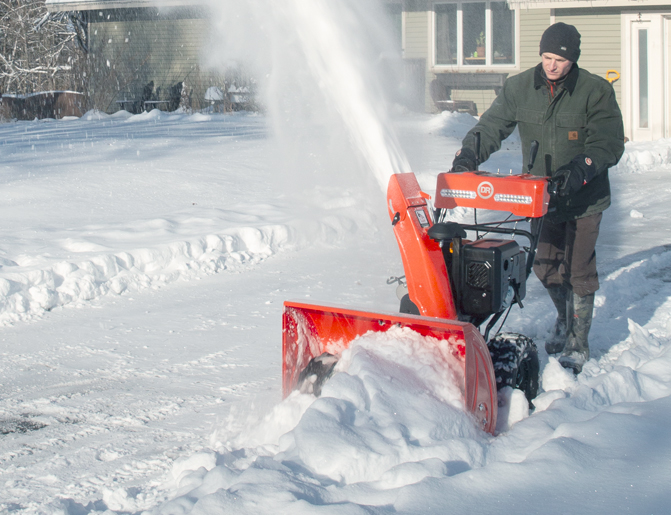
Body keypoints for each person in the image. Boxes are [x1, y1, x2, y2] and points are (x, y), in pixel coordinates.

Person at [451, 22, 624, 374]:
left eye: (559, 59)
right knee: (544, 267)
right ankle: (563, 316)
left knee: (579, 269)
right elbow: (492, 126)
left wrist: (579, 170)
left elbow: (608, 142)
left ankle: (578, 341)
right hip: (541, 196)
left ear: (572, 59)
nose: (551, 65)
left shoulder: (595, 91)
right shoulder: (520, 87)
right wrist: (468, 155)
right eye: (546, 57)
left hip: (585, 198)